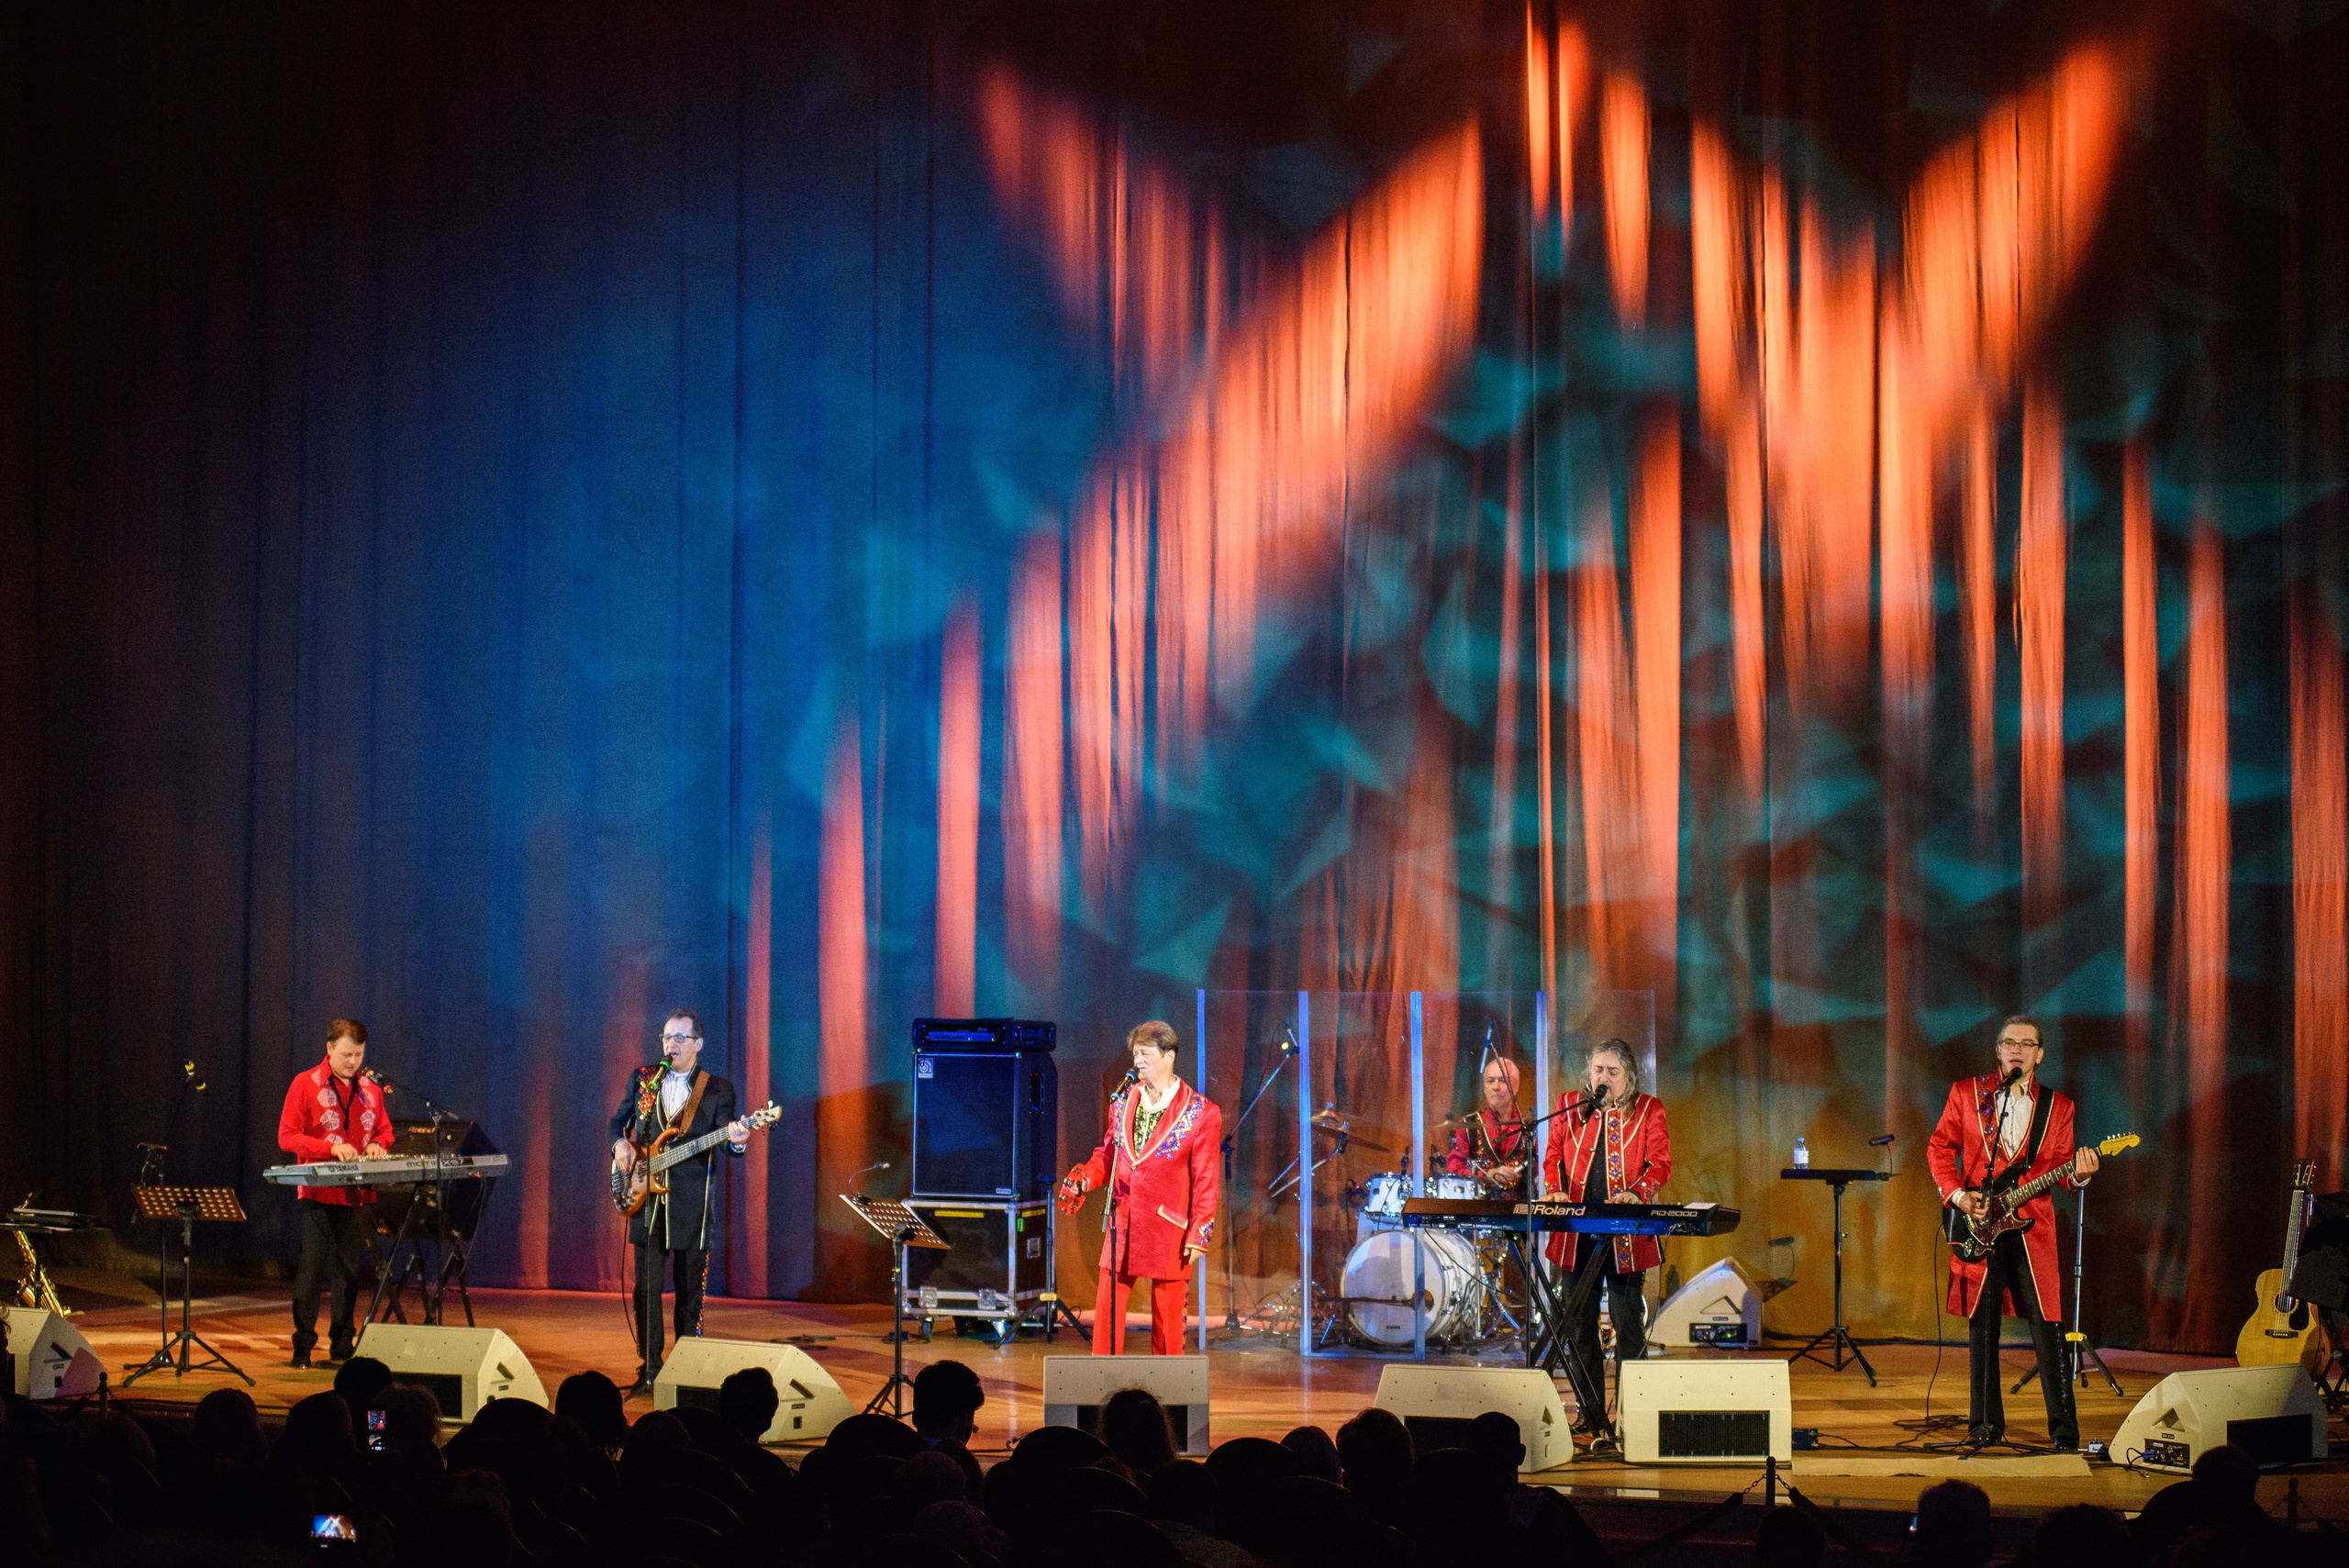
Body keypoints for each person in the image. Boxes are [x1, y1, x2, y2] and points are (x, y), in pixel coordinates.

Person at [1924, 1015, 2099, 1451]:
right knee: (1982, 1327)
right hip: (1979, 1222)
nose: (2017, 1049)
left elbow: (2061, 1171)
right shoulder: (1967, 1093)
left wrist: (2079, 1175)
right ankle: (1984, 1423)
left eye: (2027, 1043)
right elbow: (1939, 1147)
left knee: (2048, 1329)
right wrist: (1959, 1197)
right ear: (1998, 1051)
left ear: (2039, 1054)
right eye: (2009, 1042)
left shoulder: (2059, 1106)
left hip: (2032, 1226)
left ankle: (2063, 1431)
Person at [1058, 1020, 1222, 1356]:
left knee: (1167, 1322)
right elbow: (1108, 1154)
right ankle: (1103, 1381)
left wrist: (1199, 1233)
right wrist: (1086, 1178)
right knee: (1107, 1310)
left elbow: (1206, 1179)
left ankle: (1168, 1393)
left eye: (1146, 1054)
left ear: (1169, 1055)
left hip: (1169, 1226)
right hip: (1124, 1220)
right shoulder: (1122, 1102)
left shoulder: (1201, 1113)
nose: (1138, 1062)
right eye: (1136, 1054)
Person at [608, 1008, 749, 1395]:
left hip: (692, 1206)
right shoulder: (643, 1080)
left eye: (679, 1038)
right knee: (646, 1292)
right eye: (666, 1037)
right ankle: (650, 1370)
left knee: (690, 1295)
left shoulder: (718, 1088)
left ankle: (687, 1373)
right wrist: (621, 1144)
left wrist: (737, 1138)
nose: (671, 1044)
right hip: (645, 1204)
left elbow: (727, 1140)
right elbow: (616, 1123)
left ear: (698, 1044)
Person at [1540, 1038, 1672, 1442]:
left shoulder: (1649, 1109)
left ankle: (1635, 1414)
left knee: (1626, 1322)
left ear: (1629, 1076)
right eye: (1598, 1070)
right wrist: (1555, 1188)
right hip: (1575, 1237)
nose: (1604, 1078)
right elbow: (1551, 1157)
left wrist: (1639, 1192)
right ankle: (1591, 1410)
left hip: (1625, 1237)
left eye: (1613, 1072)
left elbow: (1661, 1162)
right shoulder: (1570, 1107)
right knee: (1579, 1326)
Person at [277, 1018, 392, 1367]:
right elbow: (287, 1137)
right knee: (312, 1269)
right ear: (329, 1049)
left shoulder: (370, 1089)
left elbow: (386, 1132)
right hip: (317, 1193)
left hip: (357, 1195)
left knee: (348, 1270)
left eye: (358, 1055)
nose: (352, 1062)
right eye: (346, 1054)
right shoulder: (305, 1084)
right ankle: (303, 1344)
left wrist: (376, 1144)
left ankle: (343, 1343)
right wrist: (329, 1149)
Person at [1444, 1056, 1531, 1195]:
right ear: (1485, 1087)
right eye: (1491, 1081)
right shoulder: (1467, 1126)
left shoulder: (1529, 1128)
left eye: (1503, 1081)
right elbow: (1455, 1170)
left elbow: (1541, 1172)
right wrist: (1487, 1175)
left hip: (1520, 1211)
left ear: (1516, 1086)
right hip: (1478, 1210)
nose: (1496, 1087)